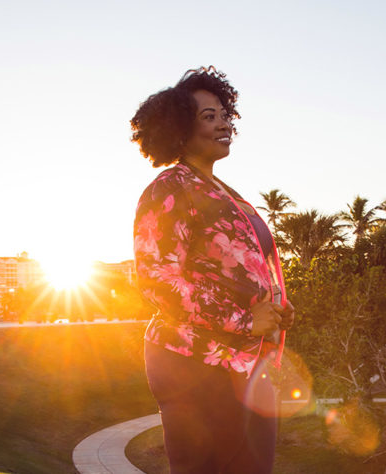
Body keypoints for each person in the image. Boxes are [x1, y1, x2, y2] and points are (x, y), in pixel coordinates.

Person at [132, 66, 294, 474]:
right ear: (180, 129)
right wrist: (243, 318)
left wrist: (275, 307)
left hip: (244, 363)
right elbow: (158, 281)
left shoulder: (228, 193)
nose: (224, 123)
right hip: (194, 364)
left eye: (224, 114)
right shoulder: (170, 188)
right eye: (209, 116)